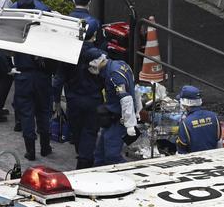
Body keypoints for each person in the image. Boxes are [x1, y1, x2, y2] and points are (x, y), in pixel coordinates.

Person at [52, 20, 104, 168]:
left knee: (77, 131)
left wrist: (56, 101)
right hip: (93, 100)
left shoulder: (69, 53)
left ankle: (83, 157)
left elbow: (58, 81)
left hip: (73, 100)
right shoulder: (98, 55)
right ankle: (84, 162)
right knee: (90, 131)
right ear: (94, 35)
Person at [84, 48, 141, 166]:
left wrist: (130, 124)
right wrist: (138, 109)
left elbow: (126, 99)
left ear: (94, 62)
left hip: (118, 121)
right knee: (99, 155)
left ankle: (130, 174)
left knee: (112, 156)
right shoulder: (120, 64)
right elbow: (134, 88)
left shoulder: (113, 75)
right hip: (113, 119)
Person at [13, 52, 54, 161]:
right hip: (43, 78)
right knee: (43, 112)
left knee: (26, 115)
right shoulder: (45, 40)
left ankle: (30, 151)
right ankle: (45, 147)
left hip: (24, 78)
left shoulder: (21, 38)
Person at [176, 85, 222, 154]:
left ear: (185, 103)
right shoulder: (213, 116)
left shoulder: (185, 123)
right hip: (214, 158)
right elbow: (218, 140)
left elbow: (182, 150)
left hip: (195, 161)